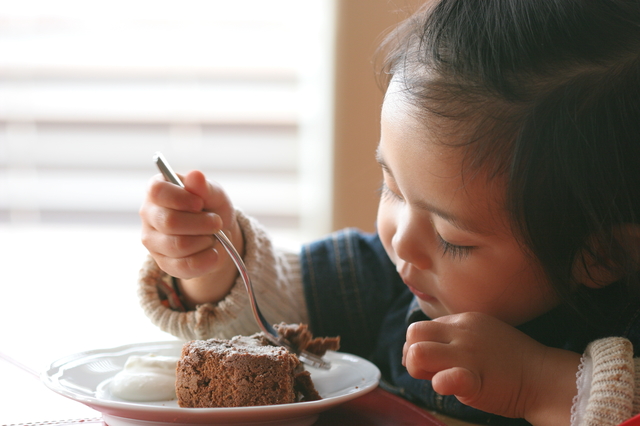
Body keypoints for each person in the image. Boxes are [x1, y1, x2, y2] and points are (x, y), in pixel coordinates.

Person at [138, 0, 640, 425]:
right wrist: (219, 265)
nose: (401, 242)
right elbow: (278, 317)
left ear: (598, 257)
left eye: (452, 238)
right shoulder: (390, 280)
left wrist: (542, 385)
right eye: (393, 189)